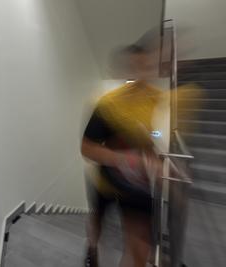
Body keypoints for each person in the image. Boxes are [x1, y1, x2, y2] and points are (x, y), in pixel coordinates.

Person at [81, 44, 164, 267]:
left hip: (138, 187)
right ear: (125, 71)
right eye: (135, 67)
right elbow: (87, 149)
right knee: (96, 222)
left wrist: (153, 139)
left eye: (146, 67)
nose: (141, 74)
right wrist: (125, 159)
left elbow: (160, 132)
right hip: (104, 182)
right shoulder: (108, 104)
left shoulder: (160, 101)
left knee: (139, 248)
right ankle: (92, 249)